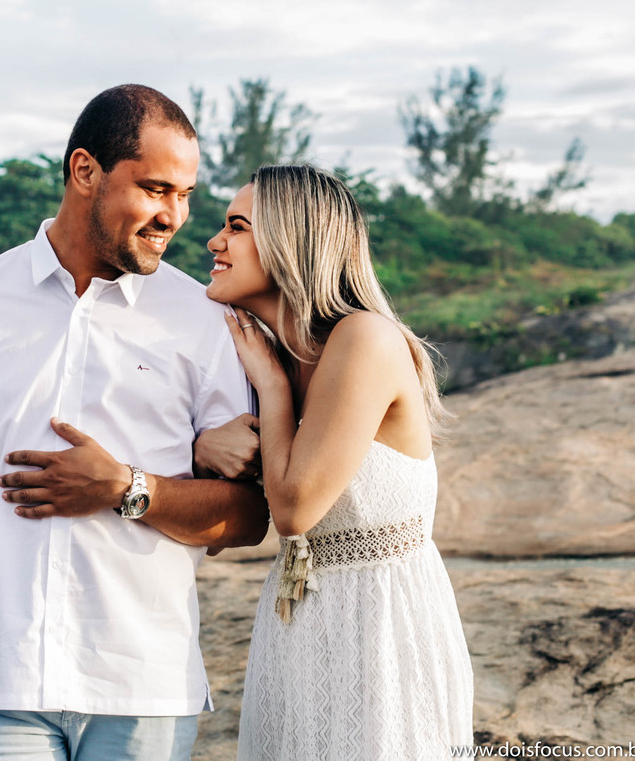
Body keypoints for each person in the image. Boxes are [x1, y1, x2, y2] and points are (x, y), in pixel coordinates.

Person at [0, 84, 270, 760]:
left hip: (143, 690)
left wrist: (127, 487)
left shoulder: (205, 320)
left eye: (185, 195)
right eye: (155, 189)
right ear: (85, 171)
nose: (174, 216)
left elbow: (247, 518)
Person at [194, 165, 474, 759]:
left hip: (381, 627)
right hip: (299, 623)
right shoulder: (270, 351)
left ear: (293, 242)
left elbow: (294, 509)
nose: (215, 242)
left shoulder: (364, 339)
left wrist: (271, 391)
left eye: (237, 227)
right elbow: (232, 520)